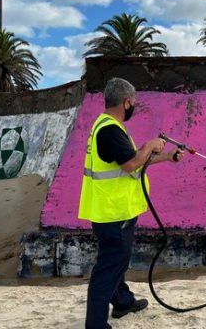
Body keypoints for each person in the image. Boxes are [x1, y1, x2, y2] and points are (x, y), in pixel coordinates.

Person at [78, 77, 184, 329]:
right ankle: (95, 325)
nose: (133, 106)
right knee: (110, 265)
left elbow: (130, 160)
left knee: (116, 261)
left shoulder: (107, 126)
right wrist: (149, 145)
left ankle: (123, 302)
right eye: (133, 102)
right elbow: (132, 164)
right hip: (114, 212)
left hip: (112, 210)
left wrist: (167, 156)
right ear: (126, 102)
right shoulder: (110, 130)